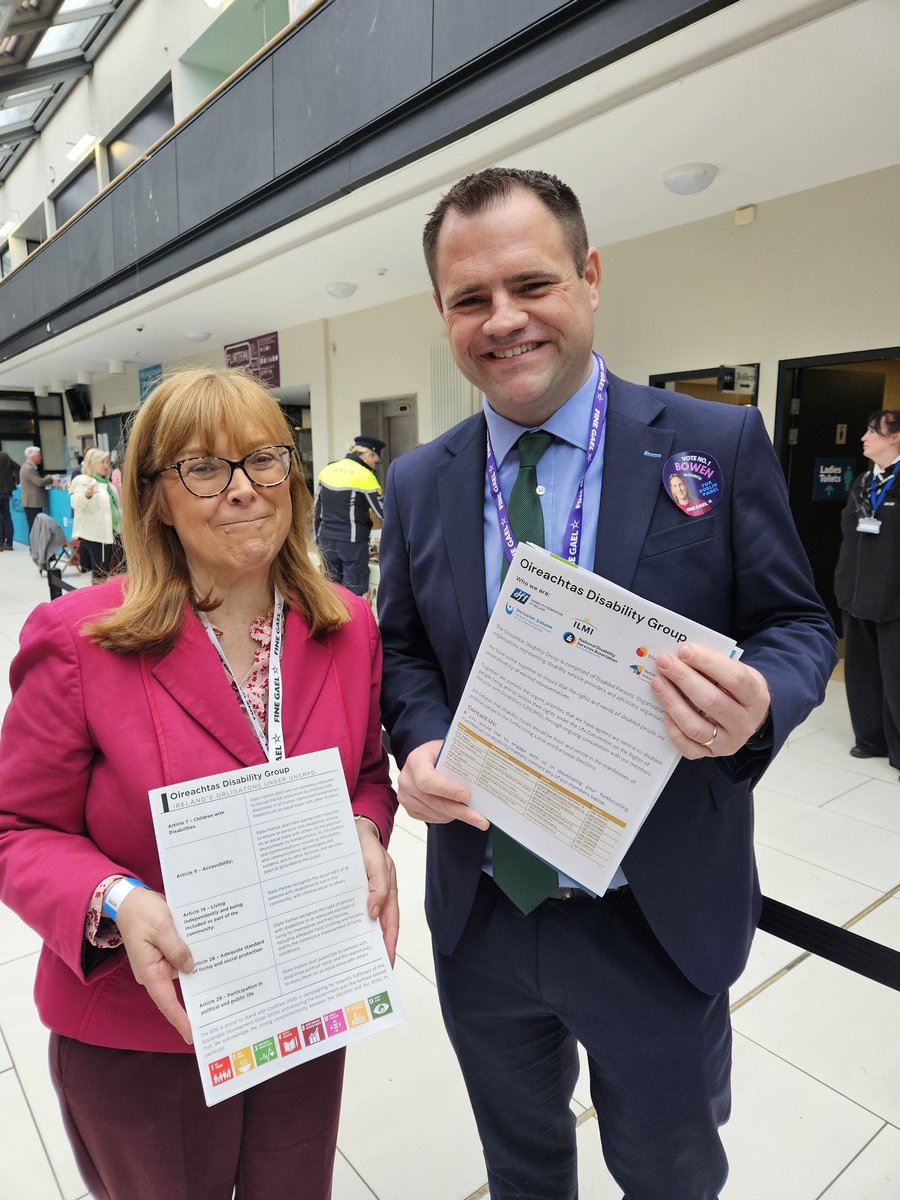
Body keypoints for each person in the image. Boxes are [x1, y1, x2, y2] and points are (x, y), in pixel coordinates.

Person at [377, 167, 836, 1200]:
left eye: (531, 284)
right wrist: (417, 738)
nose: (504, 320)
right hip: (487, 911)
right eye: (469, 299)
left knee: (670, 1172)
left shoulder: (713, 446)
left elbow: (798, 624)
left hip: (654, 913)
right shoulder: (418, 482)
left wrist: (761, 700)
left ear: (589, 278)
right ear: (443, 313)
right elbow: (403, 650)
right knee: (521, 1166)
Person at [0, 368, 398, 1200]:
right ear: (155, 498)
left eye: (263, 460)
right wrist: (114, 898)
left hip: (300, 1007)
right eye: (204, 469)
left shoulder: (346, 626)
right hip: (146, 1029)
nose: (245, 489)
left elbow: (365, 776)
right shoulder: (81, 640)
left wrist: (365, 828)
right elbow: (15, 828)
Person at [834, 409, 900, 776]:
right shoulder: (863, 481)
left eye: (873, 431)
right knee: (860, 670)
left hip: (894, 596)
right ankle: (870, 738)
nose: (864, 437)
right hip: (857, 592)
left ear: (896, 437)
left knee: (896, 675)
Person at [314, 435, 385, 595]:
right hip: (352, 544)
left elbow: (316, 509)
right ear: (368, 455)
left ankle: (332, 621)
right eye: (376, 460)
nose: (375, 465)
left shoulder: (328, 470)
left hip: (326, 541)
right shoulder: (366, 476)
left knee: (329, 593)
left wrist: (318, 538)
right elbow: (383, 512)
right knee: (353, 595)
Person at [69, 446, 120, 581]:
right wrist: (87, 495)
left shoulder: (109, 485)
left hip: (112, 533)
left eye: (106, 462)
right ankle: (99, 599)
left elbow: (116, 508)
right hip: (97, 536)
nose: (105, 465)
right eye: (102, 462)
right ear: (91, 464)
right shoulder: (84, 482)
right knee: (100, 573)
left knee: (107, 570)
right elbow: (76, 503)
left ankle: (102, 597)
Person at [19, 445, 54, 532]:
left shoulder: (27, 467)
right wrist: (50, 478)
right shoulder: (29, 468)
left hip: (31, 502)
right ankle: (34, 545)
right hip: (32, 503)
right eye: (39, 455)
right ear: (34, 456)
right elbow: (39, 482)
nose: (41, 458)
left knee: (35, 526)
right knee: (34, 527)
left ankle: (35, 545)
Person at [0, 448, 20, 549]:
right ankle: (9, 543)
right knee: (7, 517)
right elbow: (18, 467)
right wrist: (16, 480)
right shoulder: (4, 456)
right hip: (6, 491)